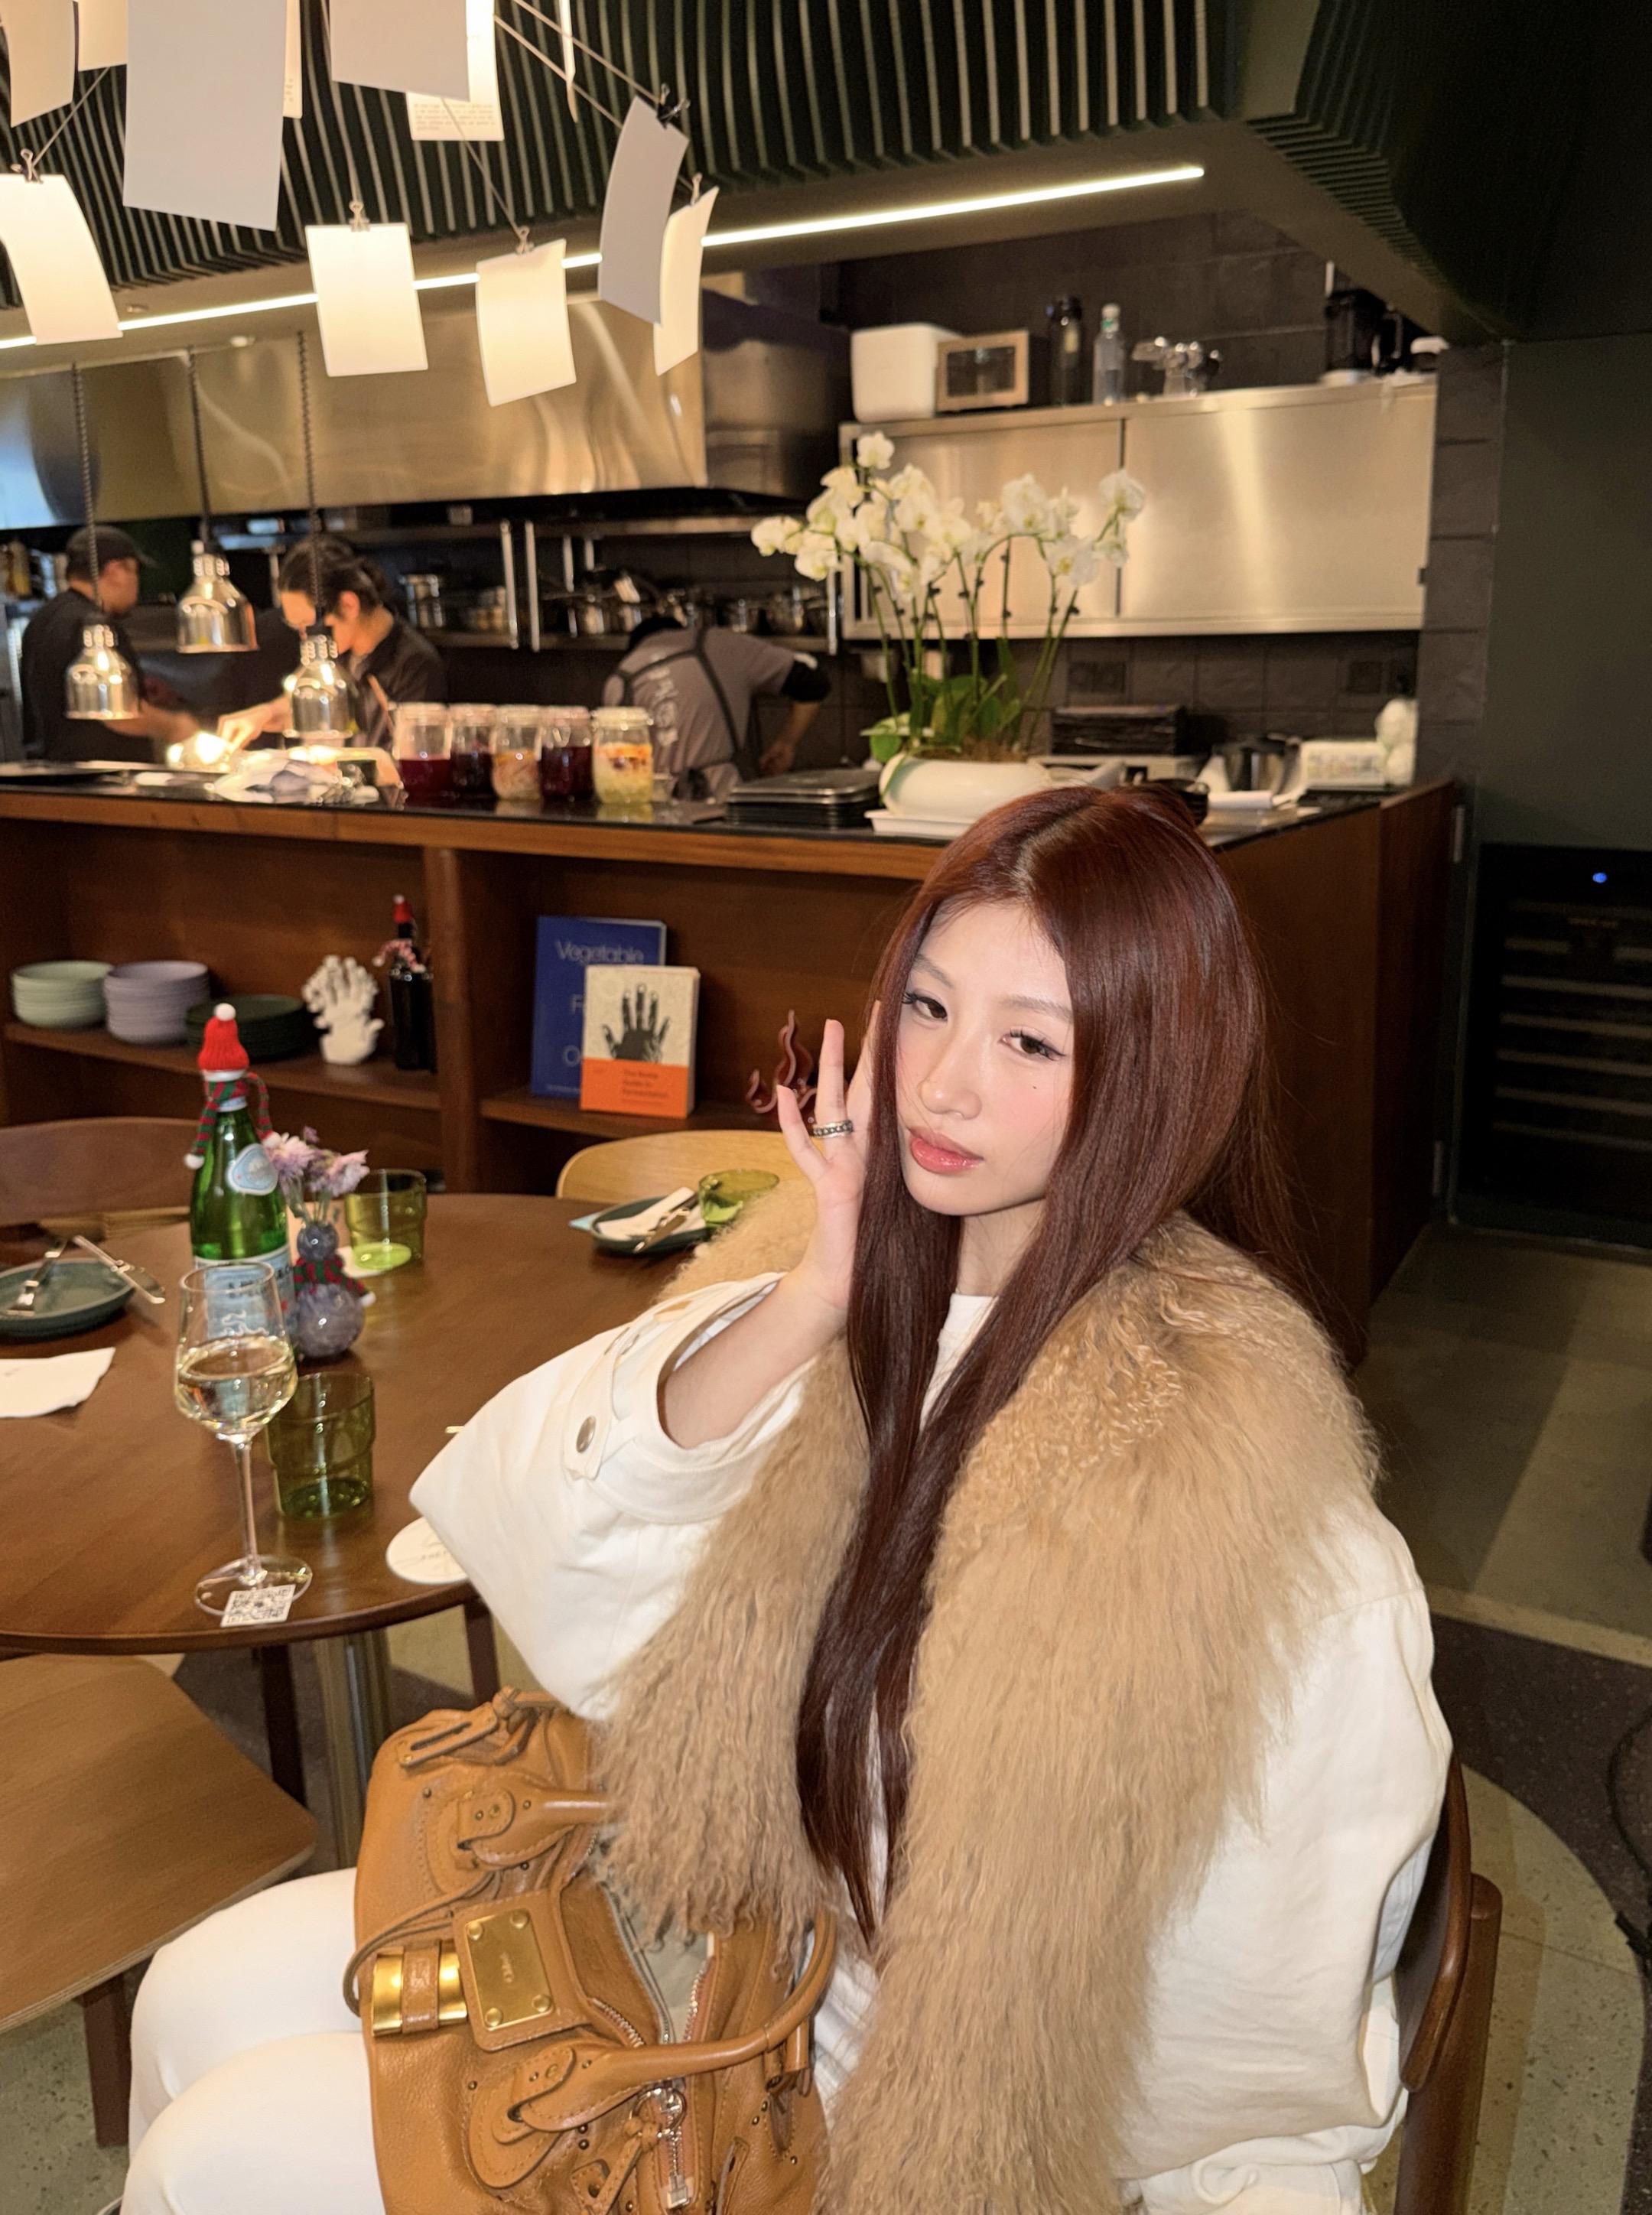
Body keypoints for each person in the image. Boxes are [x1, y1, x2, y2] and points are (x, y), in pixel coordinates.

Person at [122, 784, 1449, 2215]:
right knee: (193, 1988)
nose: (941, 1087)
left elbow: (1248, 2046)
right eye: (927, 1008)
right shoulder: (846, 1280)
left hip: (875, 2107)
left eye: (1030, 1042)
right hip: (719, 1928)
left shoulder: (1231, 1494)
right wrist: (814, 1289)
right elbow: (548, 1564)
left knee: (217, 2150)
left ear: (1156, 1078)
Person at [217, 538, 447, 753]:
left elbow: (410, 763)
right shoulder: (333, 655)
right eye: (298, 628)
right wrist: (264, 715)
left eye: (308, 625)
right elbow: (308, 702)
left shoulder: (413, 666)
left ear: (348, 605)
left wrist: (332, 760)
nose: (305, 638)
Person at [603, 610, 831, 798]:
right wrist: (785, 745)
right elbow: (813, 680)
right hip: (725, 802)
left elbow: (615, 768)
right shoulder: (722, 644)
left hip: (650, 811)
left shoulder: (620, 678)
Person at [19, 527, 199, 765]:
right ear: (115, 571)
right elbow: (118, 716)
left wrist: (137, 687)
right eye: (135, 572)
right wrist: (177, 726)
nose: (136, 584)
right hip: (103, 773)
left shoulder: (43, 618)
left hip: (55, 771)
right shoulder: (97, 629)